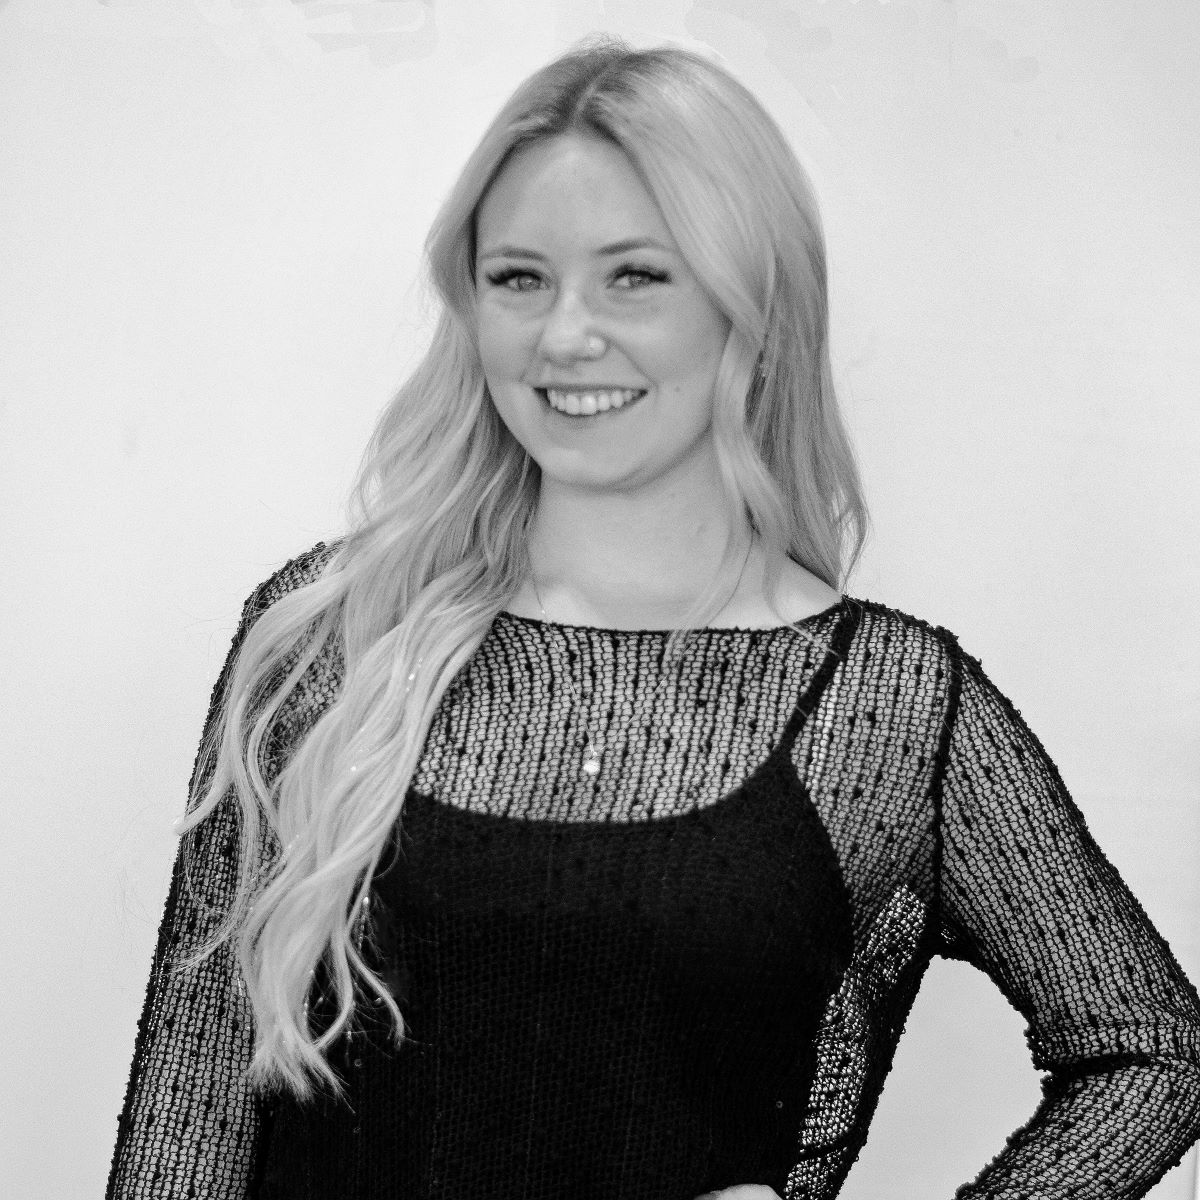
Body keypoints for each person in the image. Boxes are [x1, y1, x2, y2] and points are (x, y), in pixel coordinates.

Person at [105, 36, 1200, 1200]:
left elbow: (1151, 1054)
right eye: (518, 277)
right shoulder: (328, 639)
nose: (566, 334)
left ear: (753, 303)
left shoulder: (884, 709)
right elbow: (195, 1099)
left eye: (636, 275)